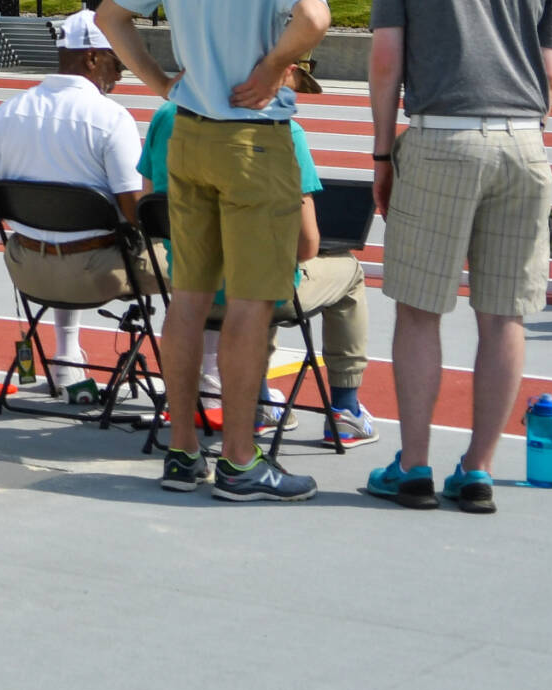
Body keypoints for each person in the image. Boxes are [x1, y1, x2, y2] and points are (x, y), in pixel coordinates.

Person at [94, 0, 329, 501]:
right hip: (253, 142)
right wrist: (270, 66)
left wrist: (160, 82)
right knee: (253, 300)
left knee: (190, 298)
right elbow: (314, 15)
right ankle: (240, 459)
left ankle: (181, 449)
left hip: (189, 132)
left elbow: (111, 14)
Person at [364, 0, 552, 513]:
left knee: (421, 309)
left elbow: (385, 62)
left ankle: (414, 463)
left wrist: (382, 155)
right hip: (525, 143)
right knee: (503, 313)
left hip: (443, 137)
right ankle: (477, 467)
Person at [140, 60, 378, 446]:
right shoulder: (281, 128)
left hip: (187, 290)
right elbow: (306, 245)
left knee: (247, 260)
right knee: (345, 272)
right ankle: (345, 410)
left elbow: (148, 203)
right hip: (250, 293)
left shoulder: (166, 116)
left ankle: (259, 400)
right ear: (281, 71)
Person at [0, 9, 152, 400]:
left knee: (72, 232)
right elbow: (136, 211)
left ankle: (66, 361)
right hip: (96, 274)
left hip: (27, 271)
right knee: (199, 265)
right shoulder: (111, 118)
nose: (121, 74)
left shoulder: (9, 110)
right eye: (118, 62)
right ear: (92, 58)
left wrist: (35, 224)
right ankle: (209, 385)